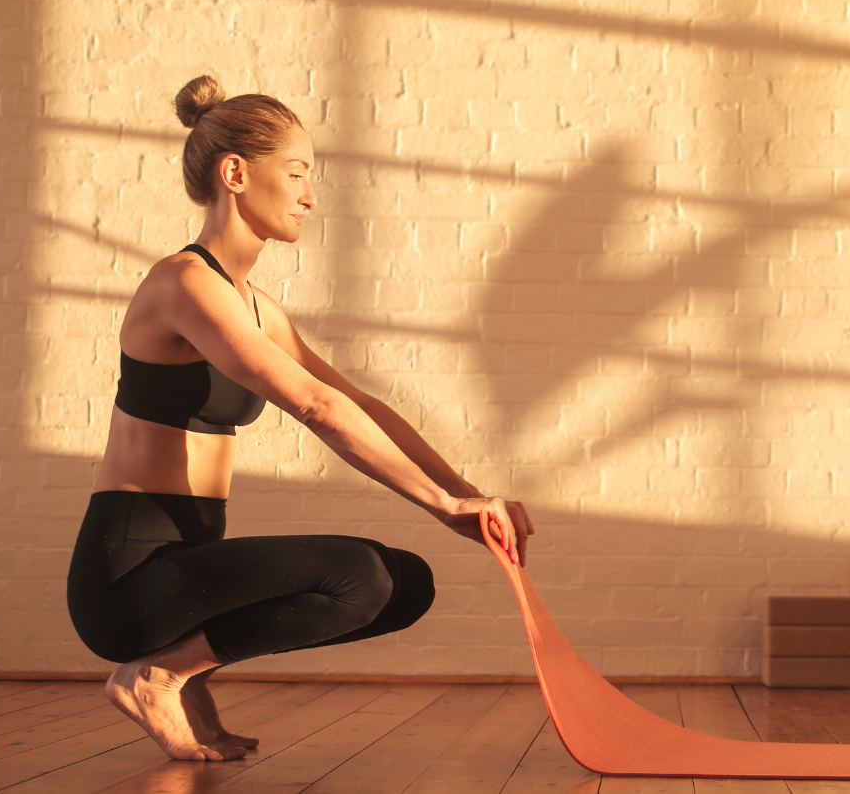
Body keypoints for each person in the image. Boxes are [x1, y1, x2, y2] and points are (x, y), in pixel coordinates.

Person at [66, 76, 533, 762]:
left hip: (190, 571)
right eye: (295, 174)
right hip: (131, 576)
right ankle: (159, 674)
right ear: (235, 173)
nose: (309, 195)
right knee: (359, 576)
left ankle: (183, 677)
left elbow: (363, 404)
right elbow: (316, 407)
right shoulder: (183, 284)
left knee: (406, 584)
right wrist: (439, 505)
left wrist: (464, 495)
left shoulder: (257, 310)